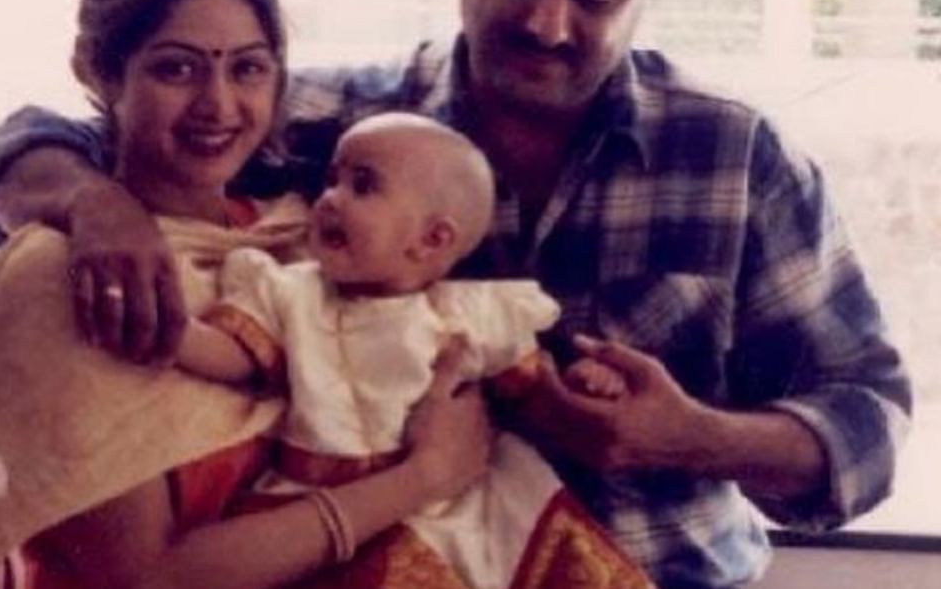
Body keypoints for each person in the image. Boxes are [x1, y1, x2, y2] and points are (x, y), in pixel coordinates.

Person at [0, 0, 913, 585]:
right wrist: (93, 202)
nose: (549, 22)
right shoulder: (350, 127)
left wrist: (692, 436)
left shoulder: (739, 159)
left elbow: (867, 415)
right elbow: (85, 130)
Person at [0, 0, 493, 589]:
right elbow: (150, 576)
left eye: (248, 68)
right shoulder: (71, 276)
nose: (218, 105)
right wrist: (423, 476)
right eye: (176, 67)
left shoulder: (297, 238)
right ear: (97, 70)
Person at [175, 110, 650, 587]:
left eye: (361, 186)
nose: (329, 200)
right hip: (314, 498)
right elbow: (235, 357)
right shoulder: (290, 293)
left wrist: (586, 380)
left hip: (446, 507)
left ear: (432, 239)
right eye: (331, 180)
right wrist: (170, 334)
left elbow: (527, 383)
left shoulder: (462, 316)